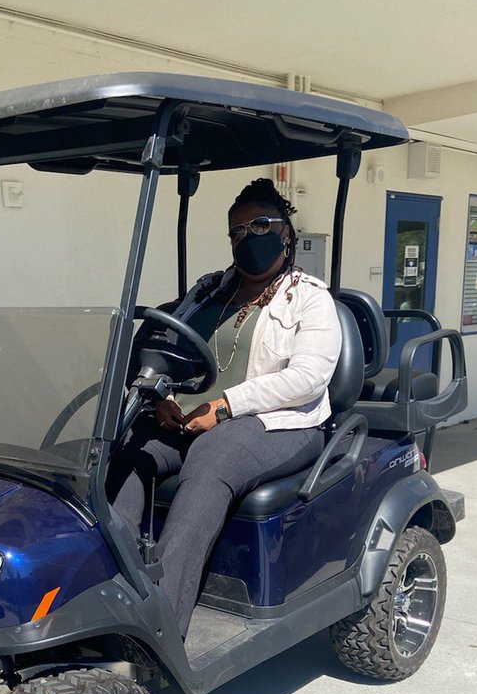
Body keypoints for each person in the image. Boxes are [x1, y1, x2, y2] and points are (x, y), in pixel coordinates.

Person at [106, 177, 342, 638]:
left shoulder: (312, 299)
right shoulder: (209, 291)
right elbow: (169, 346)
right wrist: (166, 398)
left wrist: (227, 405)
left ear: (285, 232)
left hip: (276, 422)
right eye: (238, 231)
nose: (248, 238)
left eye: (261, 225)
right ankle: (114, 584)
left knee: (212, 458)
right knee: (127, 446)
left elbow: (307, 378)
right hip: (193, 417)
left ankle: (161, 625)